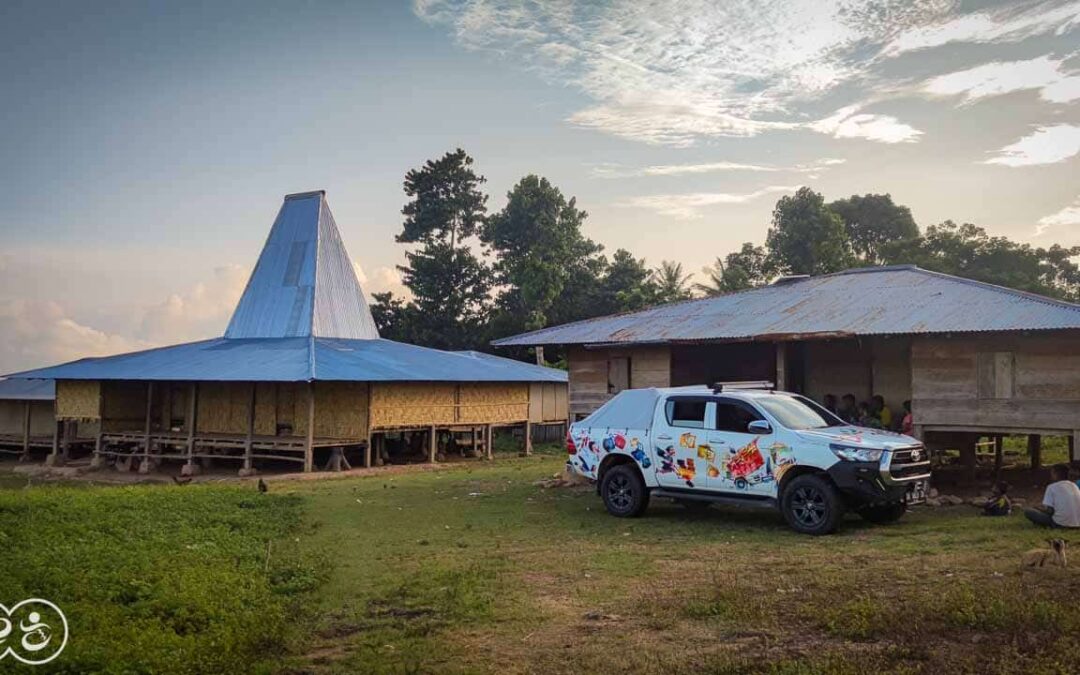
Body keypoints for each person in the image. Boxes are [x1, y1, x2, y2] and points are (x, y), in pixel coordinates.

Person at [1024, 464, 1080, 528]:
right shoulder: (1074, 485)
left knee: (1028, 511)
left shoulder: (1052, 487)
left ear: (1055, 474)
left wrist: (1039, 509)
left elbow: (1050, 511)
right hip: (1078, 523)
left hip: (1060, 523)